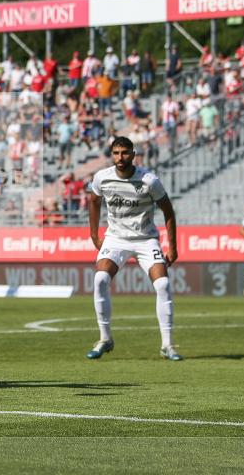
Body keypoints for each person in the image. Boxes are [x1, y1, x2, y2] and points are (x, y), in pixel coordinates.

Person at [86, 136, 182, 361]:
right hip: (116, 238)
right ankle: (105, 339)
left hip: (146, 239)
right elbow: (93, 202)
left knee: (163, 284)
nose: (120, 157)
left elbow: (168, 211)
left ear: (133, 155)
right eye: (116, 153)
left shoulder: (149, 181)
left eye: (125, 153)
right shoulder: (102, 178)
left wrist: (173, 247)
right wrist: (94, 234)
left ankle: (167, 345)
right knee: (100, 279)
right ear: (112, 155)